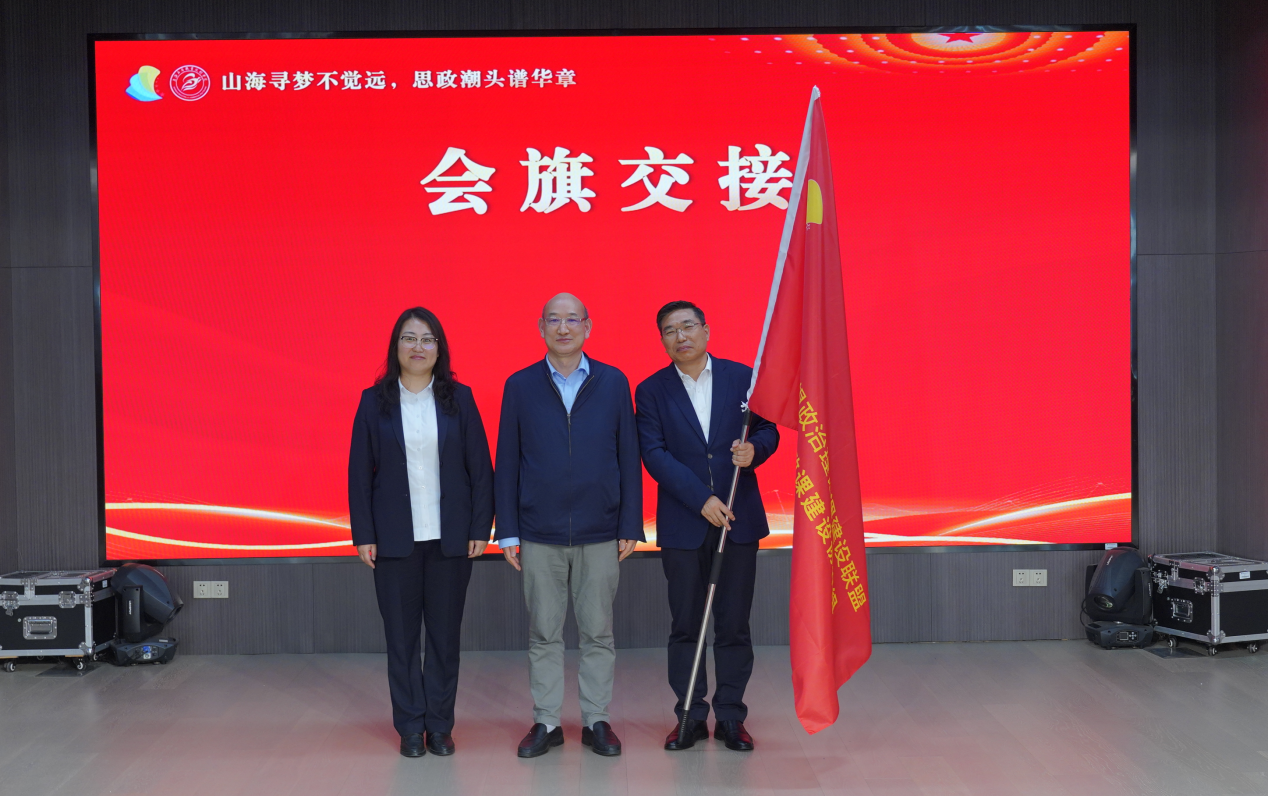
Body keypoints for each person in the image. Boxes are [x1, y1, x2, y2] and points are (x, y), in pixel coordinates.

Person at [495, 292, 643, 758]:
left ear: (588, 327)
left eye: (572, 319)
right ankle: (547, 721)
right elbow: (507, 462)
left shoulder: (613, 381)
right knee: (544, 632)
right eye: (554, 320)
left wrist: (630, 522)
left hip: (601, 531)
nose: (563, 328)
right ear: (540, 327)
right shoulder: (520, 385)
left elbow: (628, 455)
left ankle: (597, 719)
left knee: (598, 632)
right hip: (539, 532)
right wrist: (509, 530)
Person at [634, 300, 780, 752]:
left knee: (734, 624)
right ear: (662, 340)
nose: (681, 336)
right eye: (670, 330)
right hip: (684, 523)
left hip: (738, 519)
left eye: (688, 326)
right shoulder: (651, 390)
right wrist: (701, 499)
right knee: (686, 624)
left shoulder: (743, 378)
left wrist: (755, 450)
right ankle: (691, 715)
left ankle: (731, 716)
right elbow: (654, 454)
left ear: (706, 330)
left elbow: (769, 429)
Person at [349, 307, 494, 758]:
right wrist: (364, 533)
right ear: (396, 347)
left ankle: (440, 725)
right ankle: (411, 726)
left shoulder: (460, 399)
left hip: (450, 539)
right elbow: (359, 473)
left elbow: (480, 469)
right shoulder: (374, 402)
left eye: (427, 339)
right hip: (395, 541)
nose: (418, 347)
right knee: (401, 639)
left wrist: (480, 526)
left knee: (445, 639)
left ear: (439, 348)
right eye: (409, 338)